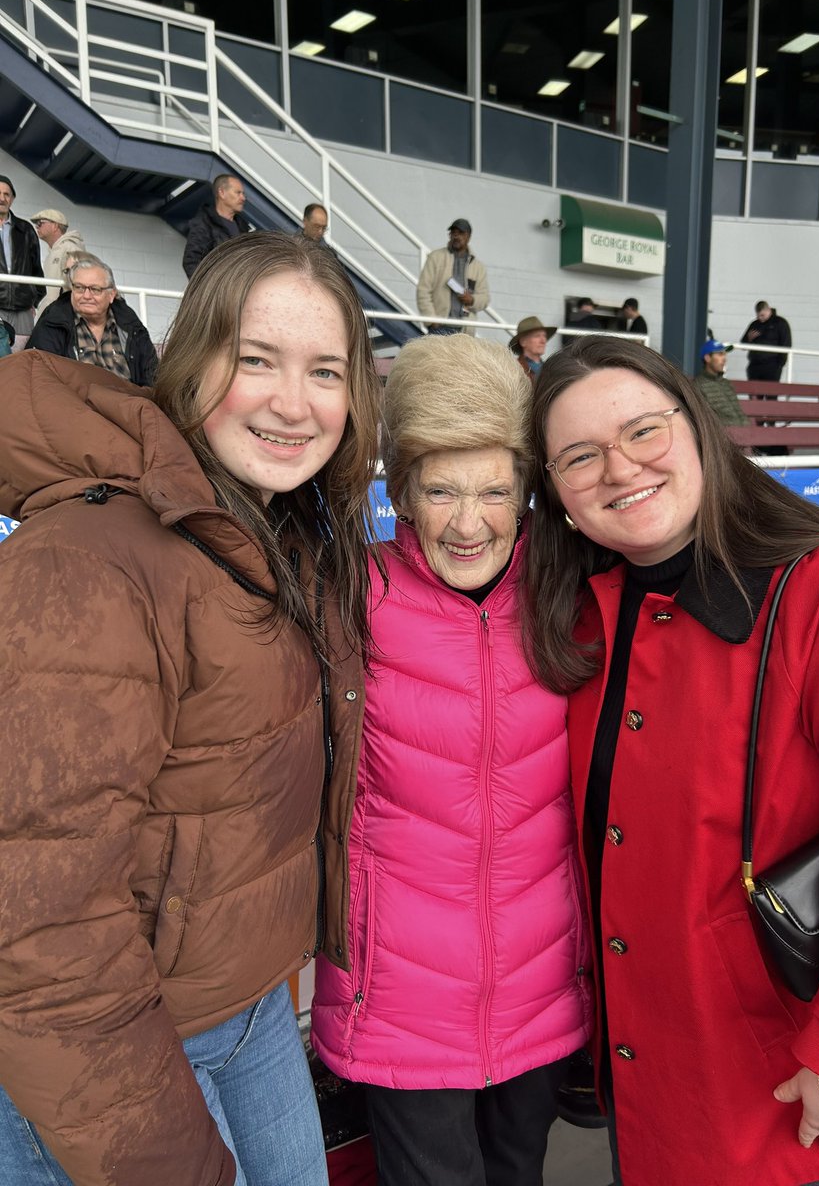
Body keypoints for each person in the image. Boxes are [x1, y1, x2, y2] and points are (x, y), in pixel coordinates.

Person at [0, 231, 381, 1186]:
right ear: (192, 359)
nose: (294, 403)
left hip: (246, 1009)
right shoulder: (89, 560)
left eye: (325, 369)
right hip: (117, 1050)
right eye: (257, 359)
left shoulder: (271, 528)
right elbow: (38, 928)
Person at [524, 335, 819, 1186]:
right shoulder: (583, 612)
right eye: (580, 456)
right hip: (645, 1077)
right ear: (556, 493)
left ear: (696, 429)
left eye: (643, 432)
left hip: (791, 1097)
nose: (620, 470)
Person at [312, 333, 593, 1186]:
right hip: (398, 1000)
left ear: (526, 496)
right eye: (440, 490)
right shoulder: (349, 596)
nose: (468, 523)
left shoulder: (569, 590)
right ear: (399, 491)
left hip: (540, 993)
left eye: (493, 492)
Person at [27, 256, 159, 387]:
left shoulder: (131, 325)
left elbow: (152, 377)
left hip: (129, 404)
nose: (86, 296)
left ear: (111, 294)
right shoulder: (53, 321)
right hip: (75, 404)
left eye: (95, 289)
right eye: (79, 287)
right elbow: (40, 376)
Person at [415, 218, 490, 334]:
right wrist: (431, 320)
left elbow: (485, 298)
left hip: (464, 330)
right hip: (439, 327)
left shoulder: (478, 267)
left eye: (461, 233)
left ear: (468, 237)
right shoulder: (435, 258)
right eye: (453, 233)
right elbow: (423, 290)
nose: (456, 236)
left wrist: (472, 300)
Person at [0, 173, 44, 350]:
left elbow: (36, 268)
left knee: (19, 365)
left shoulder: (26, 229)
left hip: (23, 309)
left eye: (6, 194)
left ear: (12, 199)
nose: (2, 198)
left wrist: (34, 300)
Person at [182, 173, 251, 277]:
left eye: (243, 194)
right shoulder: (203, 223)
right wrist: (209, 290)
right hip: (217, 290)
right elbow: (191, 261)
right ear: (222, 193)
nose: (243, 198)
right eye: (238, 193)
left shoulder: (243, 226)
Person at [30, 207, 85, 316]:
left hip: (62, 315)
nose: (37, 226)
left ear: (55, 226)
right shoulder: (54, 252)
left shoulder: (70, 248)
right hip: (53, 313)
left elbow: (78, 284)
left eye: (40, 223)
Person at [692, 337, 748, 426]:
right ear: (707, 358)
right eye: (720, 354)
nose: (724, 358)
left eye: (725, 354)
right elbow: (705, 420)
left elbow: (739, 413)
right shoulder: (698, 385)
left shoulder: (725, 383)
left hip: (744, 434)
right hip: (723, 436)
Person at [741, 298, 792, 381]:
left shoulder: (780, 323)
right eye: (758, 316)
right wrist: (749, 339)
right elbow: (743, 344)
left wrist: (780, 364)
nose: (760, 318)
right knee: (754, 392)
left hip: (772, 364)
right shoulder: (755, 324)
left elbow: (786, 343)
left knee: (771, 392)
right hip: (755, 364)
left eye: (762, 315)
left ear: (768, 310)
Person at [509, 314, 556, 385]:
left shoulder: (550, 368)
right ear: (523, 342)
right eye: (537, 336)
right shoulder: (514, 368)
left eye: (544, 336)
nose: (543, 341)